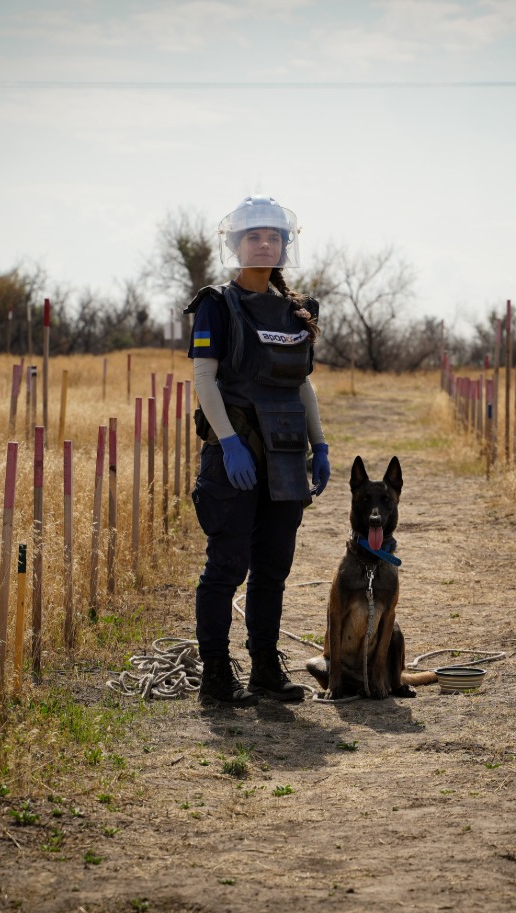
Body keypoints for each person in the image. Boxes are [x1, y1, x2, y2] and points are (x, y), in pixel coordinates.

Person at [185, 196, 331, 707]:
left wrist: (320, 443)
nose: (264, 243)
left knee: (273, 568)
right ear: (235, 244)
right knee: (226, 567)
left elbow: (303, 385)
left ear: (285, 245)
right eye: (253, 236)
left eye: (273, 236)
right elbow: (204, 377)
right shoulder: (215, 305)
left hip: (286, 460)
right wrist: (227, 443)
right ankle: (216, 676)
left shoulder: (298, 311)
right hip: (236, 458)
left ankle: (266, 669)